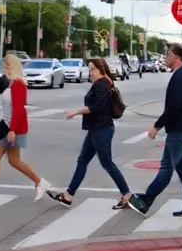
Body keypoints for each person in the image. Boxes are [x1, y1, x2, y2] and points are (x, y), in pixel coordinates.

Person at [126, 43, 182, 218]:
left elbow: (173, 107)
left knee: (166, 168)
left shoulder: (181, 77)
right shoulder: (181, 75)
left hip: (180, 130)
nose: (165, 56)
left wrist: (157, 126)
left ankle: (146, 200)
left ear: (177, 56)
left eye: (167, 53)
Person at [47, 57, 132, 209]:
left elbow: (97, 107)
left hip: (102, 129)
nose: (90, 72)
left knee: (107, 163)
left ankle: (127, 195)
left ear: (101, 70)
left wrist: (76, 112)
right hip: (95, 129)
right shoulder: (103, 83)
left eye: (93, 69)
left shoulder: (101, 85)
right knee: (83, 161)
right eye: (89, 69)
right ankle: (68, 195)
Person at [0, 52, 50, 204]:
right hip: (8, 125)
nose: (3, 68)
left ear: (10, 66)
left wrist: (12, 130)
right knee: (13, 161)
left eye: (5, 65)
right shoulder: (13, 83)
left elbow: (18, 109)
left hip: (11, 127)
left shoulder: (18, 84)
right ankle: (40, 182)